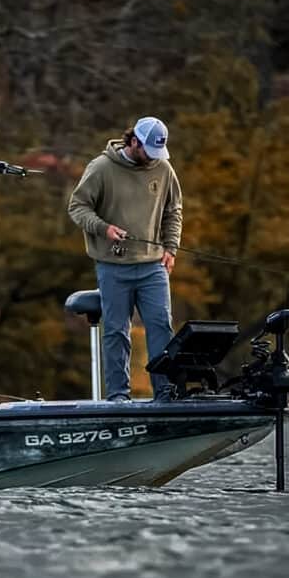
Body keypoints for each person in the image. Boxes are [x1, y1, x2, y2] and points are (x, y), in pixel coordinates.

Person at [66, 116, 183, 402]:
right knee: (116, 331)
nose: (153, 158)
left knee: (161, 328)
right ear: (133, 141)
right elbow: (77, 207)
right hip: (113, 266)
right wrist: (103, 228)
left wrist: (171, 248)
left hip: (153, 266)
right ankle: (118, 396)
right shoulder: (101, 168)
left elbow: (174, 211)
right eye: (148, 151)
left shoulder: (163, 168)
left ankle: (165, 393)